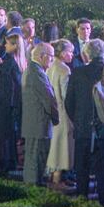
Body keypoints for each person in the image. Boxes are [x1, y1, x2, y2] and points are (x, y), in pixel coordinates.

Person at [66, 38, 104, 205]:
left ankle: (82, 202)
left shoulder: (77, 72)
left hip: (83, 128)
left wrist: (78, 120)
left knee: (82, 170)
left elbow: (69, 102)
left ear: (86, 54)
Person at [20, 40, 59, 186]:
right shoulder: (37, 73)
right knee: (35, 161)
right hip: (38, 124)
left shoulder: (32, 70)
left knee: (34, 159)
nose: (52, 59)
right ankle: (32, 192)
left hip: (34, 124)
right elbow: (49, 99)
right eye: (51, 56)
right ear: (42, 56)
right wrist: (56, 118)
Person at [0, 30, 23, 177]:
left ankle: (5, 162)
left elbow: (5, 81)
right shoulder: (16, 61)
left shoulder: (9, 61)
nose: (5, 46)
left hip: (5, 104)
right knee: (10, 134)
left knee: (5, 135)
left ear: (14, 46)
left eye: (8, 44)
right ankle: (11, 160)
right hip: (11, 104)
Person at [45, 39, 76, 187]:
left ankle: (53, 176)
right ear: (63, 53)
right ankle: (58, 180)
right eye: (70, 52)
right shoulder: (64, 69)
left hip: (51, 111)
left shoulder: (49, 66)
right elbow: (66, 95)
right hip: (62, 112)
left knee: (54, 145)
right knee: (62, 146)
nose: (72, 55)